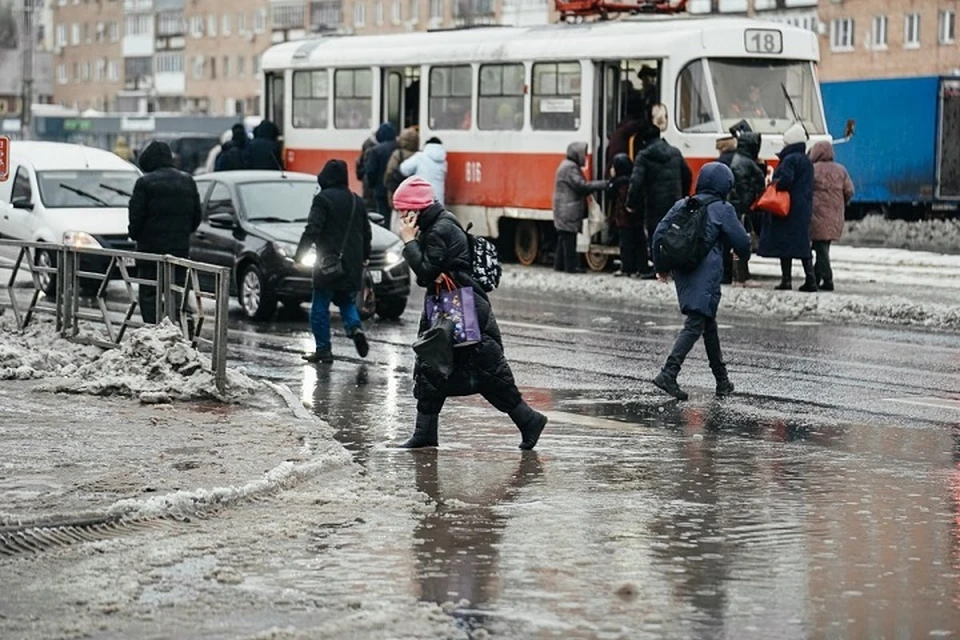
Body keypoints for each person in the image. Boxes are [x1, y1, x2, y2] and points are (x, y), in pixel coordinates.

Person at [394, 176, 547, 451]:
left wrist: (409, 242)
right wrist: (429, 267)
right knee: (433, 368)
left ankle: (529, 420)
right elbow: (428, 274)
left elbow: (426, 271)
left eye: (403, 211)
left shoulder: (439, 229)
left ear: (416, 209)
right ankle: (425, 433)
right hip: (451, 307)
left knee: (485, 371)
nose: (401, 217)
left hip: (460, 308)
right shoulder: (437, 225)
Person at [651, 162, 752, 401]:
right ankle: (669, 372)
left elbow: (659, 234)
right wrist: (742, 254)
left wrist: (662, 267)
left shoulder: (683, 204)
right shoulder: (722, 209)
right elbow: (742, 241)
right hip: (705, 274)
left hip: (684, 270)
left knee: (708, 323)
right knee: (696, 322)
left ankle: (722, 380)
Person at [295, 159, 372, 364]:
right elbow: (366, 232)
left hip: (327, 263)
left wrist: (299, 254)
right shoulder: (356, 200)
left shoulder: (322, 199)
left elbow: (313, 228)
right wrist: (365, 257)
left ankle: (323, 349)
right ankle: (355, 327)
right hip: (352, 264)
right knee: (346, 301)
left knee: (320, 304)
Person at [127, 140, 202, 325]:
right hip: (178, 250)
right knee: (176, 292)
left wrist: (134, 234)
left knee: (149, 293)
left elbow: (136, 217)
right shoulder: (187, 181)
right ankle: (179, 331)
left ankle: (153, 332)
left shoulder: (144, 183)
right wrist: (183, 232)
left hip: (149, 252)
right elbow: (196, 216)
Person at [627, 122, 692, 279]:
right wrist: (682, 194)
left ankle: (658, 268)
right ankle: (675, 267)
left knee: (656, 234)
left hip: (654, 202)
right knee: (673, 234)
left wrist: (631, 203)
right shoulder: (675, 152)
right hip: (674, 201)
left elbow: (636, 181)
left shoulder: (644, 156)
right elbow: (687, 174)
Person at [758, 123, 816, 291]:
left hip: (788, 209)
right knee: (802, 244)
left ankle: (787, 280)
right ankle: (810, 279)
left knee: (785, 245)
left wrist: (775, 182)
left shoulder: (790, 159)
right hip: (802, 207)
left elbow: (785, 181)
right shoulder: (806, 159)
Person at [552, 142, 608, 274]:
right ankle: (571, 267)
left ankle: (559, 265)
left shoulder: (565, 165)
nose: (585, 157)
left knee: (564, 238)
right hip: (568, 209)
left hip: (563, 208)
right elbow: (581, 185)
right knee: (569, 239)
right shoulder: (570, 168)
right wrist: (602, 184)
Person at [809, 141, 854, 292]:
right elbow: (850, 190)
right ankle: (816, 276)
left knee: (821, 246)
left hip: (817, 214)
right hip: (835, 215)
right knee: (823, 246)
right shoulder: (841, 170)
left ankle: (828, 279)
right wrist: (840, 203)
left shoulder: (813, 170)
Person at [724, 130, 766, 283]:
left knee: (735, 240)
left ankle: (734, 274)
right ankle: (741, 275)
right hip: (741, 207)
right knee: (741, 240)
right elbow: (757, 183)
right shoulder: (746, 162)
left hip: (736, 205)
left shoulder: (740, 159)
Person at [610, 153, 643, 278]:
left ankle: (627, 268)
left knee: (626, 244)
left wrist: (612, 179)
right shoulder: (633, 179)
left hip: (623, 217)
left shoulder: (618, 181)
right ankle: (640, 267)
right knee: (638, 242)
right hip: (636, 216)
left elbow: (610, 193)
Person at [363, 122, 398, 222]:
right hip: (397, 188)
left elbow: (370, 172)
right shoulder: (399, 148)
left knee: (383, 217)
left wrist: (372, 186)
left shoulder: (375, 151)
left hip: (380, 189)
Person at [400, 136, 448, 207]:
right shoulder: (444, 162)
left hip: (422, 198)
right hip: (438, 200)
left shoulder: (420, 157)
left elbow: (404, 169)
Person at [385, 126, 420, 210]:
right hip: (415, 196)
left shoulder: (397, 154)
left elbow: (389, 174)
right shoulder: (420, 155)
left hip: (398, 195)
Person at [356, 129, 379, 212]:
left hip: (367, 180)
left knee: (368, 205)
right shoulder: (376, 148)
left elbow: (360, 163)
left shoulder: (367, 144)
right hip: (373, 181)